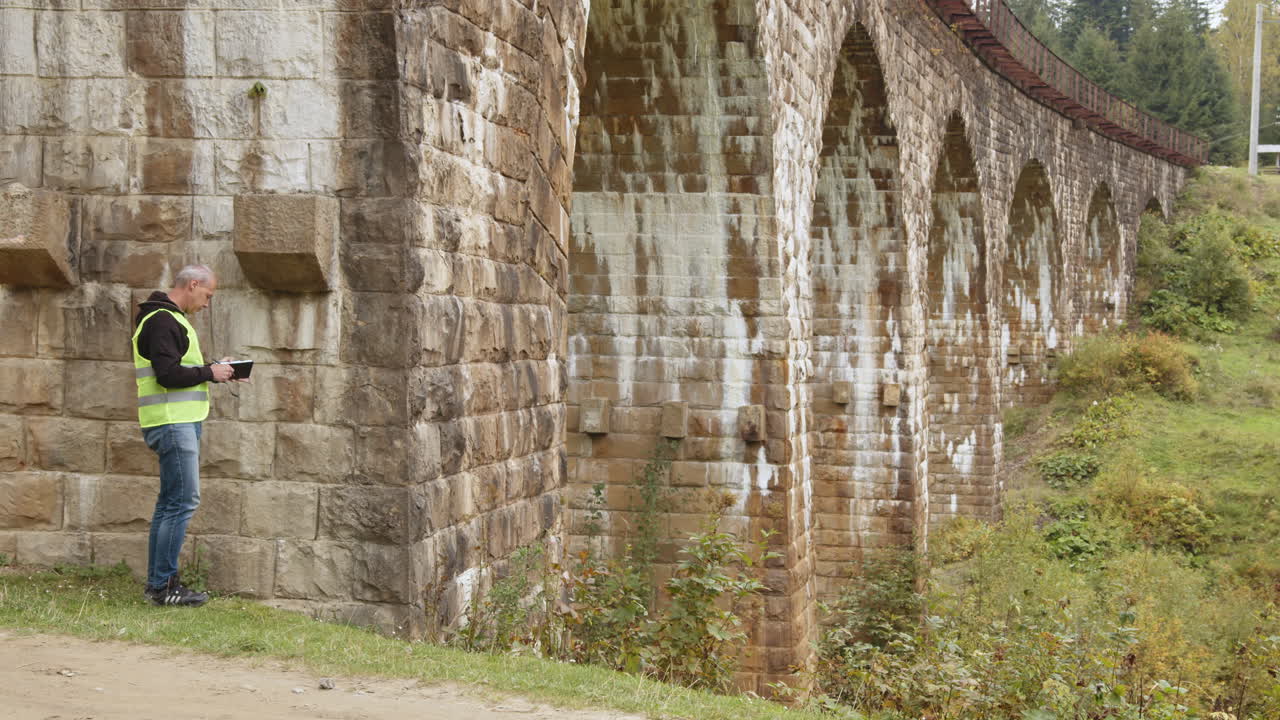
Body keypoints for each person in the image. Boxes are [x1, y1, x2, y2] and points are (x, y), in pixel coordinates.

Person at [131, 264, 240, 607]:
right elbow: (167, 375)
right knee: (183, 501)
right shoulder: (163, 320)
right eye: (207, 295)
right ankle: (164, 587)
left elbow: (176, 367)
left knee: (170, 503)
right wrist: (210, 372)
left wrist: (216, 370)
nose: (208, 303)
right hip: (172, 422)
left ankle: (159, 585)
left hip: (176, 420)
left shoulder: (167, 319)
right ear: (193, 284)